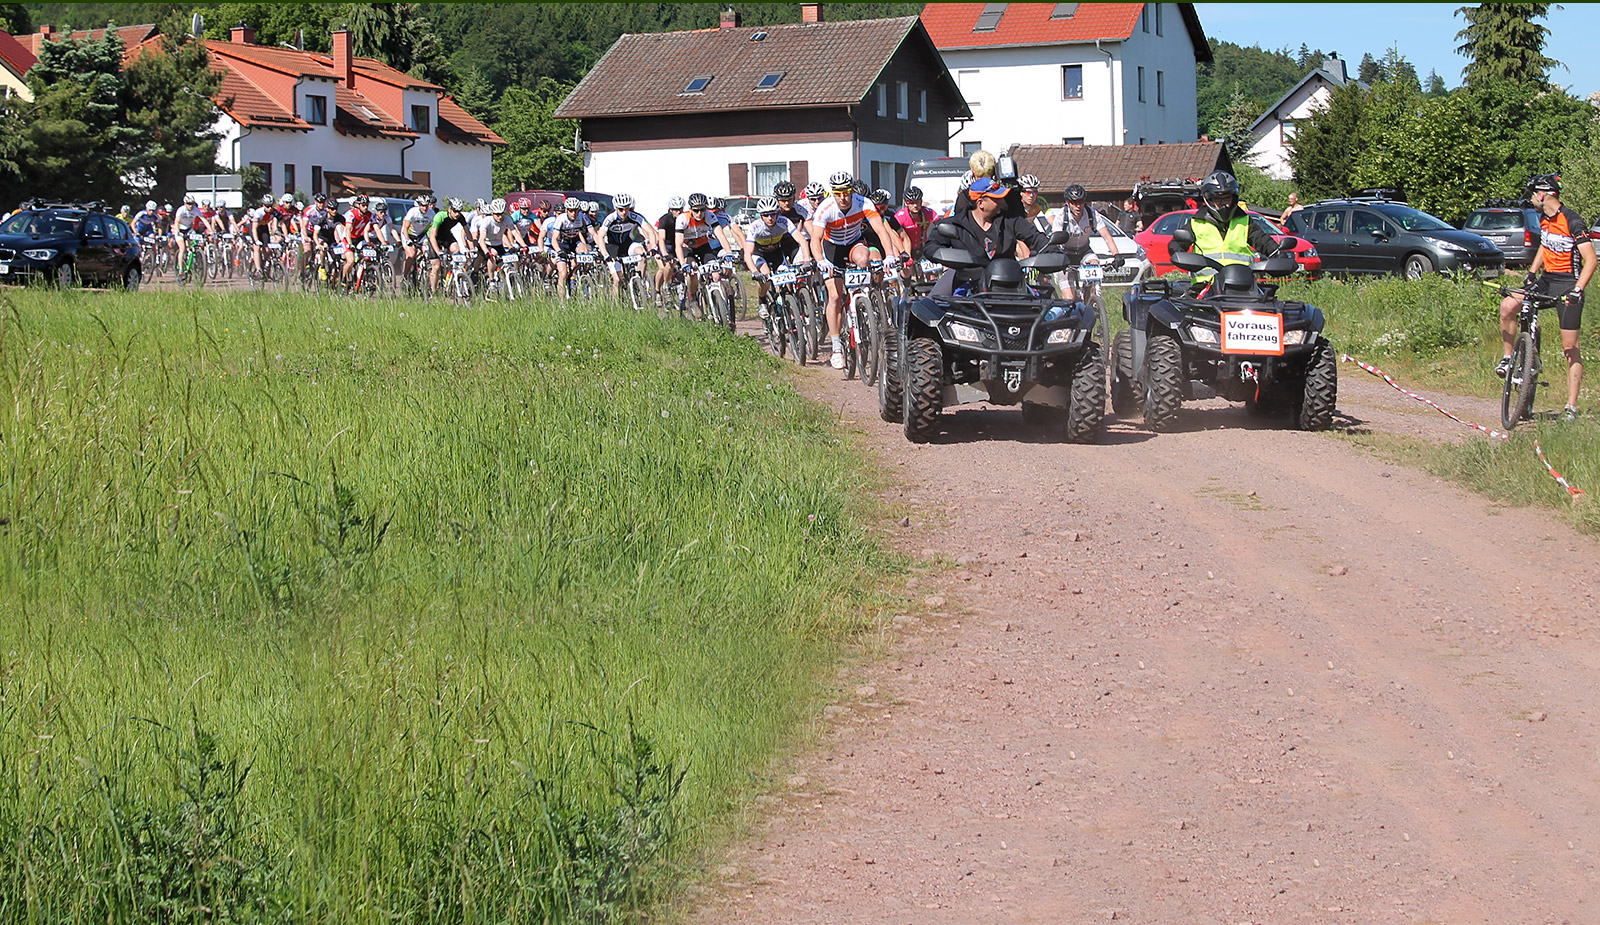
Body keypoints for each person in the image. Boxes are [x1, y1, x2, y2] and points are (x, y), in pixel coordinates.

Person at [1497, 174, 1595, 421]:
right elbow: (1544, 246)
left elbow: (1591, 260)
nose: (1530, 199)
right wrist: (1531, 272)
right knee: (1508, 305)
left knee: (1570, 348)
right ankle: (1509, 358)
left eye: (1532, 195)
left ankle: (1570, 407)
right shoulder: (1544, 219)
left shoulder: (1572, 221)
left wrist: (1578, 289)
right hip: (1547, 280)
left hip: (1568, 285)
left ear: (1543, 194)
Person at [808, 171, 902, 369]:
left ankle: (862, 299)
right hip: (831, 249)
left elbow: (881, 230)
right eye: (838, 193)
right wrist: (820, 260)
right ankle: (835, 347)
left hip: (853, 242)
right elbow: (815, 240)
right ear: (833, 193)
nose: (843, 197)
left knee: (864, 258)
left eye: (847, 192)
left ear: (852, 191)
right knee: (834, 297)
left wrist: (890, 255)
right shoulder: (825, 209)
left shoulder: (863, 203)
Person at [923, 177, 1059, 299]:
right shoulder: (956, 224)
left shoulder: (1012, 221)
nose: (1002, 202)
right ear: (980, 203)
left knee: (1055, 312)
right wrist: (949, 256)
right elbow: (931, 246)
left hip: (1009, 285)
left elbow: (1035, 238)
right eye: (996, 199)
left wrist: (1053, 252)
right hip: (966, 283)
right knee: (929, 310)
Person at [1171, 170, 1280, 292]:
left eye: (1227, 199)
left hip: (1243, 287)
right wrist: (1178, 253)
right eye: (1218, 199)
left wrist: (1278, 253)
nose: (1223, 204)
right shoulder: (1196, 223)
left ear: (1234, 199)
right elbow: (1176, 243)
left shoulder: (1245, 221)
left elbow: (1263, 241)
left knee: (1270, 307)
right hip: (1205, 288)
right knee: (1184, 309)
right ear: (1209, 200)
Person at [1053, 184, 1120, 299]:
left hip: (1084, 251)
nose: (1078, 206)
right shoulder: (1061, 217)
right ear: (1068, 203)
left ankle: (1092, 303)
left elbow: (1107, 237)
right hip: (1066, 254)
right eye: (1074, 203)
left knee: (1094, 264)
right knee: (1069, 298)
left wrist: (1117, 255)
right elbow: (1055, 239)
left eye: (1081, 201)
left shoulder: (1092, 214)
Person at [893, 186, 932, 260]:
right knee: (907, 269)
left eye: (918, 202)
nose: (915, 205)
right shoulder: (900, 216)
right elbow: (893, 236)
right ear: (906, 203)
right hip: (905, 249)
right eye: (911, 203)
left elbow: (941, 225)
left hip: (922, 247)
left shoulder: (927, 212)